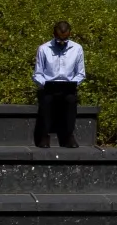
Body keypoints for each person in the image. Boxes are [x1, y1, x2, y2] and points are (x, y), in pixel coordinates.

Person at [32, 20, 85, 148]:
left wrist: (74, 83)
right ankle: (44, 136)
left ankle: (68, 136)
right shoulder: (44, 49)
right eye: (59, 39)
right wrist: (45, 83)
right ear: (54, 34)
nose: (61, 42)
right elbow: (37, 73)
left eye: (64, 39)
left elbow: (81, 73)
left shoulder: (77, 49)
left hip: (68, 86)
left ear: (69, 35)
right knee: (46, 100)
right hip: (49, 87)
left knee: (71, 100)